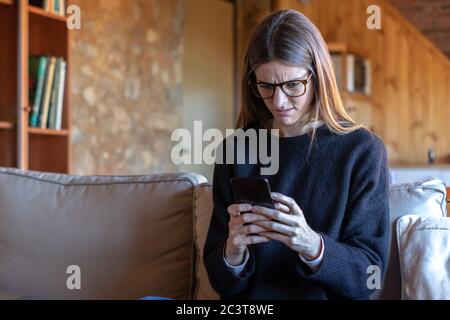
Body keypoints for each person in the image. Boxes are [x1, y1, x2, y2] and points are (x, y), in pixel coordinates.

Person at [203, 9, 390, 300]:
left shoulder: (362, 152)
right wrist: (232, 251)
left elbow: (369, 278)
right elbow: (220, 282)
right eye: (265, 85)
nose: (278, 101)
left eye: (293, 85)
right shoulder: (236, 149)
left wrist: (311, 244)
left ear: (319, 77)